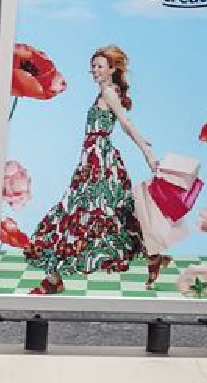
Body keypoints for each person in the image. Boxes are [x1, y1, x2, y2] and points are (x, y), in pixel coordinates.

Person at [23, 46, 156, 294]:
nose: (95, 71)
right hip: (93, 159)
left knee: (82, 213)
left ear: (112, 70)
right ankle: (152, 257)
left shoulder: (108, 92)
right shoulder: (104, 92)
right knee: (103, 214)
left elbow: (126, 124)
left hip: (99, 161)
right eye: (93, 66)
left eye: (100, 66)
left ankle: (54, 279)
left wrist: (145, 150)